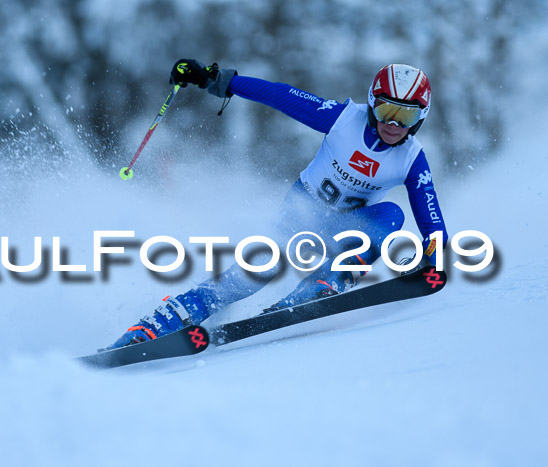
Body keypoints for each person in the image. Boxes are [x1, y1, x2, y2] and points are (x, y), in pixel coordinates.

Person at [107, 59, 448, 349]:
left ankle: (323, 285)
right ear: (372, 104)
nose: (392, 124)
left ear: (420, 118)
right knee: (251, 273)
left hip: (345, 233)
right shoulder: (343, 120)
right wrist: (217, 80)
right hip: (299, 220)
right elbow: (281, 96)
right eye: (387, 109)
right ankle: (155, 326)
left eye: (405, 116)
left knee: (393, 214)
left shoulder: (411, 159)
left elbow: (431, 218)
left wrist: (433, 256)